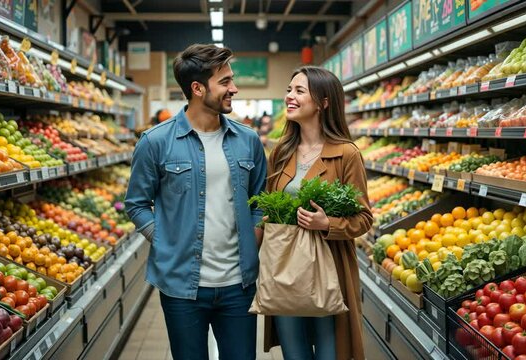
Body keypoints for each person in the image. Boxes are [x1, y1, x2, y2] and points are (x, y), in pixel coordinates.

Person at [124, 43, 267, 360]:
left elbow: (262, 200)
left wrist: (254, 237)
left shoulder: (248, 141)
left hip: (238, 285)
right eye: (225, 81)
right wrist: (164, 240)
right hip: (181, 287)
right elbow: (135, 203)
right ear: (198, 88)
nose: (235, 88)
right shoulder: (156, 142)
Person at [263, 66, 373, 360]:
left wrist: (328, 223)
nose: (290, 96)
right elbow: (268, 206)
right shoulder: (280, 152)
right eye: (289, 90)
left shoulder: (346, 153)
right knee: (294, 353)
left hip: (328, 271)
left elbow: (364, 218)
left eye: (299, 91)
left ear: (324, 102)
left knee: (330, 351)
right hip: (286, 270)